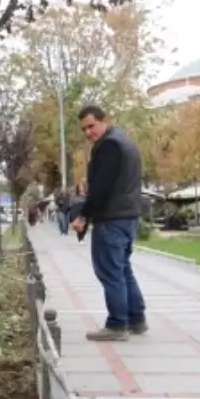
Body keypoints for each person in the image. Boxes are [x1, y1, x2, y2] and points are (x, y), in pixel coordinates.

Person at [72, 105, 147, 340]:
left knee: (110, 271)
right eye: (84, 129)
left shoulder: (109, 146)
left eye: (91, 126)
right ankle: (136, 319)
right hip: (128, 216)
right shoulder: (125, 142)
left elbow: (101, 188)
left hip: (112, 218)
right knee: (123, 269)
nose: (88, 133)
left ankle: (117, 325)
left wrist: (84, 215)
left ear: (105, 121)